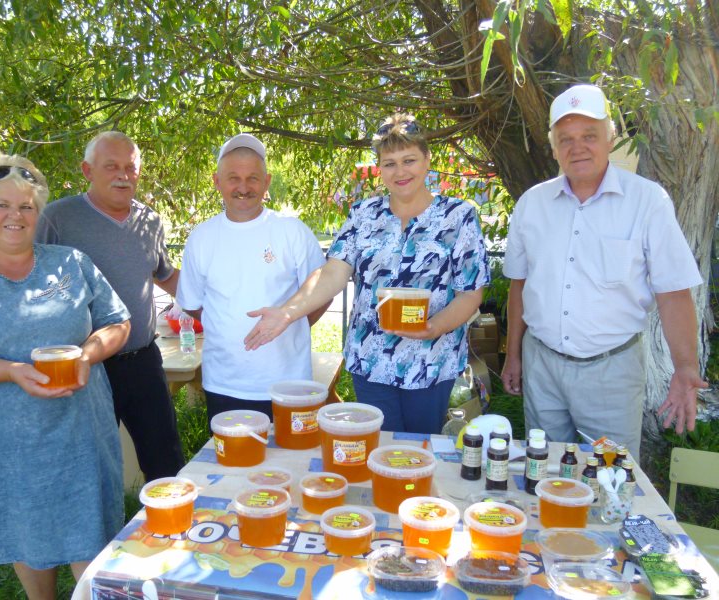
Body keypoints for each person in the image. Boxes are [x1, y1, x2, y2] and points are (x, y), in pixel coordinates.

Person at [0, 151, 131, 599]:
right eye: (2, 205)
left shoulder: (71, 263)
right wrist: (10, 371)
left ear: (39, 212)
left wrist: (89, 354)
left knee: (90, 531)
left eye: (26, 206)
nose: (15, 216)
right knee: (24, 530)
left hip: (78, 432)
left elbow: (117, 321)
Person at [244, 115, 490, 434]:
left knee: (418, 451)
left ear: (427, 159)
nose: (400, 172)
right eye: (389, 163)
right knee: (377, 447)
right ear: (379, 168)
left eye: (409, 160)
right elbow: (332, 273)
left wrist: (433, 328)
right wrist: (286, 313)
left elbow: (471, 292)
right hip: (370, 360)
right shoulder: (364, 215)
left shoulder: (458, 217)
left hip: (432, 361)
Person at [500, 84, 705, 460]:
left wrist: (685, 369)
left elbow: (674, 292)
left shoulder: (647, 201)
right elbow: (520, 285)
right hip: (542, 366)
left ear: (610, 138)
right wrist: (513, 355)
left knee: (612, 476)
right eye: (566, 139)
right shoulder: (532, 204)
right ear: (554, 147)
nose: (578, 148)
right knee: (544, 473)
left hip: (611, 371)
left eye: (589, 136)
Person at [35, 131, 185, 481]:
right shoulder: (57, 219)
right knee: (90, 467)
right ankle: (104, 534)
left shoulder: (149, 220)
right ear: (88, 171)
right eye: (111, 166)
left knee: (165, 458)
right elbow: (31, 283)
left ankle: (171, 529)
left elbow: (165, 274)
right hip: (88, 365)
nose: (123, 175)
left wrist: (216, 303)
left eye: (130, 167)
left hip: (144, 359)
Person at [176, 133, 327, 421]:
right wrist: (226, 327)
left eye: (253, 178)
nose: (243, 187)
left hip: (289, 383)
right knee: (232, 464)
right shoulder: (201, 237)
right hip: (225, 381)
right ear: (217, 181)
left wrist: (290, 324)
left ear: (267, 182)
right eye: (233, 178)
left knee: (292, 463)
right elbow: (192, 303)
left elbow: (322, 290)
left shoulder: (291, 230)